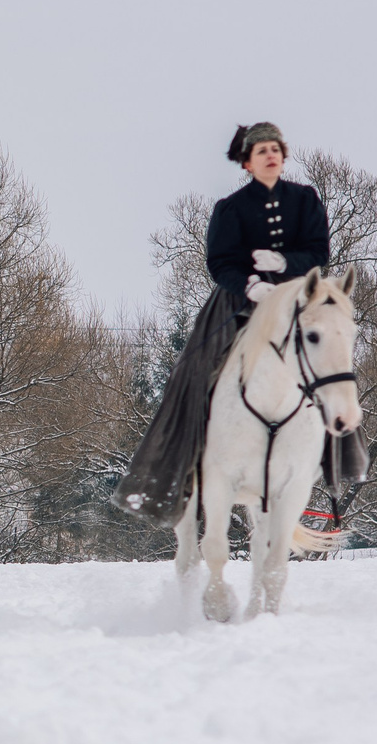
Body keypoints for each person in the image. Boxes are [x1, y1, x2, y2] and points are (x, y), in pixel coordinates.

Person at [117, 122, 334, 518]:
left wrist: (286, 263)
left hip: (294, 296)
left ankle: (336, 460)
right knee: (194, 368)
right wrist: (248, 284)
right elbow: (219, 262)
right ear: (247, 162)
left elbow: (319, 251)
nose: (270, 155)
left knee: (332, 364)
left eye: (275, 148)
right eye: (261, 151)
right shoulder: (230, 208)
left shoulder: (305, 199)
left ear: (283, 156)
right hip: (239, 301)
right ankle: (187, 464)